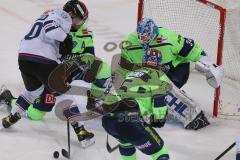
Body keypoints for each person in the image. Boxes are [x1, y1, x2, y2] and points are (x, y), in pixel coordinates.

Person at [0, 0, 95, 144]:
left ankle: (10, 117)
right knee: (60, 95)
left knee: (32, 93)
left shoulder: (47, 14)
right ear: (70, 13)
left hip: (24, 59)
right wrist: (66, 39)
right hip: (44, 61)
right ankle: (80, 130)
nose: (80, 24)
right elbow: (51, 28)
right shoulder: (62, 17)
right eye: (79, 19)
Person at [114, 18, 223, 130]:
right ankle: (152, 111)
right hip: (153, 72)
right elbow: (125, 65)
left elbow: (191, 48)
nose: (142, 39)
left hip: (177, 68)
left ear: (154, 32)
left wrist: (208, 63)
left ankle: (194, 115)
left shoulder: (169, 38)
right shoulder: (129, 43)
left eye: (146, 36)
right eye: (140, 36)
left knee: (167, 91)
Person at [101, 64, 171, 160]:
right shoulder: (158, 74)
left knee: (127, 144)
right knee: (159, 151)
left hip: (108, 121)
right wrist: (159, 119)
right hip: (129, 119)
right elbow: (159, 101)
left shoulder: (131, 74)